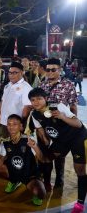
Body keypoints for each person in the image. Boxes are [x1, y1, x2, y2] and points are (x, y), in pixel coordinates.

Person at [28, 88, 87, 213]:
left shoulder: (58, 106)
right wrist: (36, 145)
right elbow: (44, 135)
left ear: (46, 99)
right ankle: (45, 182)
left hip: (78, 137)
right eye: (33, 100)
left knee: (80, 170)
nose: (36, 102)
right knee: (45, 159)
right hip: (61, 141)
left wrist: (62, 116)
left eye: (39, 99)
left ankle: (80, 203)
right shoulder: (35, 115)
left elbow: (78, 124)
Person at [0, 114, 46, 206]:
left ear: (21, 126)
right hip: (14, 172)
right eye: (9, 124)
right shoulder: (5, 142)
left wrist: (35, 147)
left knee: (40, 193)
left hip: (29, 175)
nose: (11, 127)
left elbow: (42, 158)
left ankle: (35, 186)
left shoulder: (29, 139)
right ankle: (14, 181)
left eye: (15, 124)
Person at [39, 58, 78, 190]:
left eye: (53, 69)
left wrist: (74, 123)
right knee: (45, 151)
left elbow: (73, 106)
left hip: (62, 124)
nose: (49, 72)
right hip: (45, 123)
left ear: (60, 70)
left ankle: (59, 179)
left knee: (59, 154)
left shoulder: (68, 85)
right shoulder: (42, 85)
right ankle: (46, 179)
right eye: (47, 69)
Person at [0, 62, 32, 138]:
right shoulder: (8, 85)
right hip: (4, 121)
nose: (11, 75)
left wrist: (21, 124)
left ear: (21, 73)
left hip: (15, 125)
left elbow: (27, 108)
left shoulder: (26, 87)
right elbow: (3, 101)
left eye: (15, 72)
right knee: (2, 143)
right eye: (10, 73)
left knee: (14, 145)